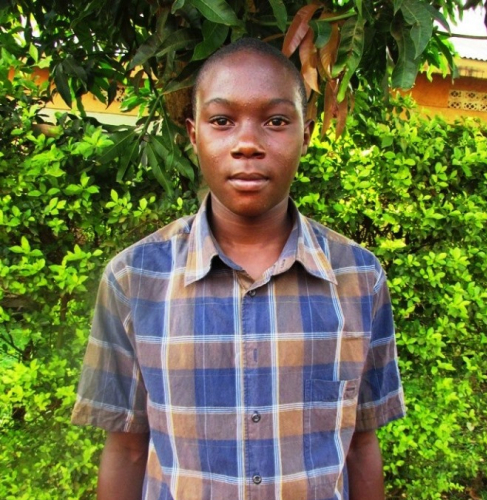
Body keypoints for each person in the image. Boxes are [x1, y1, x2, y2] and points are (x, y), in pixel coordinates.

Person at [72, 37, 405, 500]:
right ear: (194, 135)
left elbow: (361, 445)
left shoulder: (359, 279)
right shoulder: (133, 279)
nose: (247, 143)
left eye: (276, 121)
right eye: (222, 121)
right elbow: (127, 449)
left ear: (306, 134)